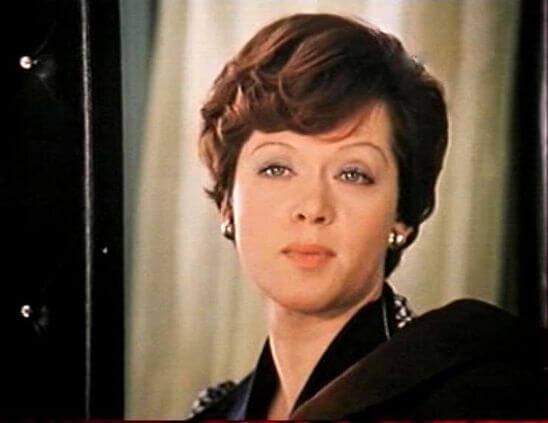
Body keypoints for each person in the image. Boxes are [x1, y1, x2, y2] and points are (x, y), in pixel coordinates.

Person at [189, 13, 544, 419]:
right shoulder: (214, 412)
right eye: (277, 168)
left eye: (353, 174)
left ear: (401, 216)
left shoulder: (480, 395)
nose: (313, 208)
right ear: (227, 203)